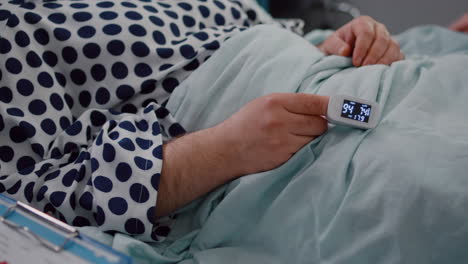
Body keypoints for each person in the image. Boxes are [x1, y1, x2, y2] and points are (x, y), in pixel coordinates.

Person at [0, 0, 403, 242]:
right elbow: (26, 211)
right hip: (261, 151)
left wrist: (326, 41)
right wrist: (220, 152)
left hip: (346, 72)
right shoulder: (13, 29)